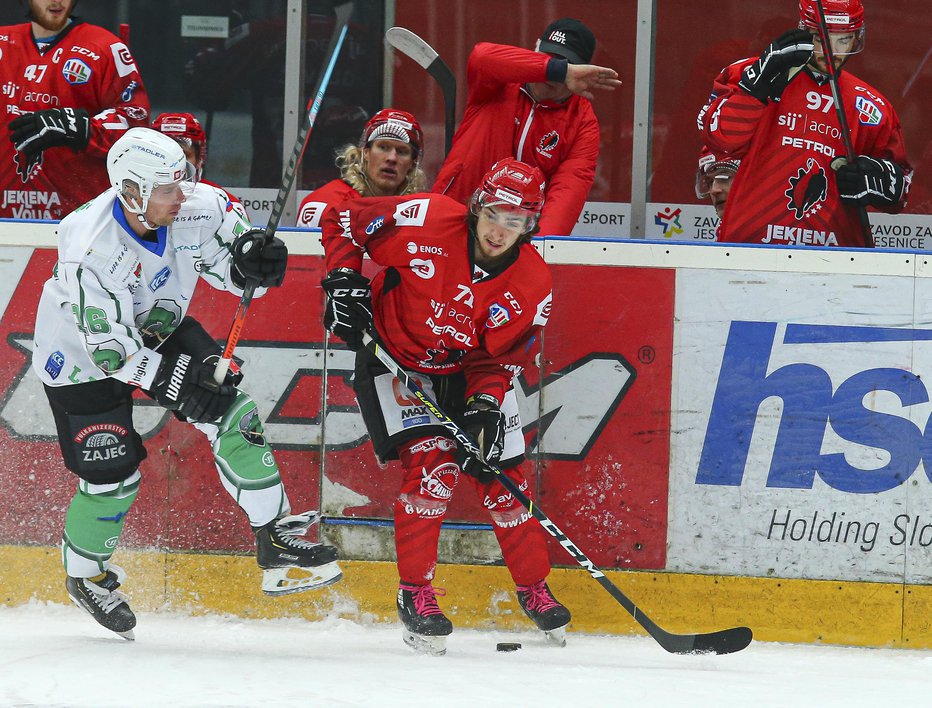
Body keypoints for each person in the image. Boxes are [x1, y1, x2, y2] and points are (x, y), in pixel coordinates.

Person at [32, 127, 341, 640]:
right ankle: (86, 578)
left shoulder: (202, 205)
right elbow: (110, 350)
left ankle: (276, 536)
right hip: (80, 357)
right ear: (131, 192)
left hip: (161, 324)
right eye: (167, 188)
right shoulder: (86, 243)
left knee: (232, 412)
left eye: (185, 180)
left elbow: (232, 272)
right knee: (114, 479)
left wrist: (253, 266)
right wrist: (175, 380)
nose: (183, 195)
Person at [320, 157, 570, 656]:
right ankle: (415, 594)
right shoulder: (426, 218)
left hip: (462, 374)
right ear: (477, 207)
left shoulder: (532, 285)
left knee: (505, 481)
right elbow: (340, 217)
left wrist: (484, 404)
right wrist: (343, 279)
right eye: (495, 213)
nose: (501, 229)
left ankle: (534, 589)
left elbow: (498, 360)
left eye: (516, 220)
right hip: (392, 363)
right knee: (434, 466)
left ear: (531, 225)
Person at [697, 0, 912, 247]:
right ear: (805, 31)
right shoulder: (746, 73)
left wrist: (878, 179)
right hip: (749, 245)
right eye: (822, 39)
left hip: (836, 256)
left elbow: (901, 191)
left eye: (843, 40)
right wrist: (754, 88)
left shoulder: (873, 106)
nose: (832, 52)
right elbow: (719, 139)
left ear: (856, 39)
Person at [431, 18, 621, 237]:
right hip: (452, 221)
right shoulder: (498, 81)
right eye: (550, 58)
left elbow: (566, 195)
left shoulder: (583, 122)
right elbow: (481, 56)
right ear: (536, 48)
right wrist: (558, 70)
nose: (558, 72)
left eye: (568, 64)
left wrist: (535, 250)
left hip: (510, 242)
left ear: (582, 71)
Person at [1, 0, 151, 220]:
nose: (56, 1)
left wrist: (80, 127)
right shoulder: (3, 43)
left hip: (79, 222)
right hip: (5, 221)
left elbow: (137, 123)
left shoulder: (105, 47)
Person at [295, 108, 427, 229]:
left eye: (402, 151)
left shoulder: (419, 215)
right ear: (366, 153)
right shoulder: (327, 204)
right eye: (383, 147)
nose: (392, 158)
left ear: (412, 163)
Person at [152, 111, 246, 211]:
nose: (174, 163)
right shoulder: (135, 200)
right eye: (164, 155)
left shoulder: (223, 204)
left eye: (184, 155)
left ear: (199, 159)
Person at [695, 146, 740, 220]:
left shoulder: (764, 229)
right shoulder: (725, 230)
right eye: (709, 182)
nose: (713, 190)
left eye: (723, 178)